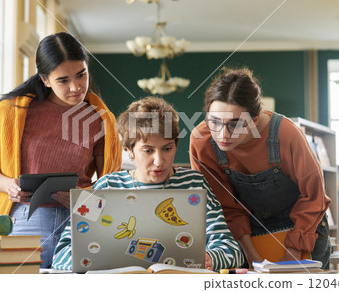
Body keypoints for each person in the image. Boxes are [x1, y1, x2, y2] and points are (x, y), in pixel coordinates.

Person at [0, 32, 122, 268]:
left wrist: (83, 195)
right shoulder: (13, 113)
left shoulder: (99, 119)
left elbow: (110, 181)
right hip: (25, 217)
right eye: (63, 80)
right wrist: (8, 186)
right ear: (45, 80)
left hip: (81, 218)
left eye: (81, 75)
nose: (76, 87)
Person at [52, 96, 245, 271]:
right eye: (148, 150)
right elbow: (61, 254)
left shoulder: (194, 184)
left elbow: (231, 249)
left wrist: (211, 257)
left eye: (167, 149)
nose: (159, 161)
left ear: (176, 145)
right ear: (129, 150)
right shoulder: (105, 186)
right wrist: (96, 262)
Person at [189, 68, 332, 269]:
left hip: (304, 230)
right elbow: (226, 206)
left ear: (254, 120)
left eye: (235, 124)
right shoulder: (201, 141)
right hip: (247, 234)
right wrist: (252, 257)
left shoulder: (286, 134)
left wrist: (293, 252)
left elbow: (313, 197)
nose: (222, 134)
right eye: (214, 122)